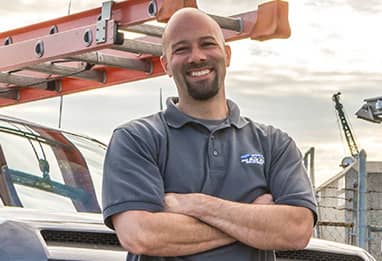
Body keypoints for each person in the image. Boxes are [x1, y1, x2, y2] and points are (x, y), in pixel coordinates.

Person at [102, 7, 317, 261]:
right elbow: (140, 234)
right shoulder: (136, 139)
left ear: (227, 54)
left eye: (207, 44)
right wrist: (254, 221)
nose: (197, 57)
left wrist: (196, 205)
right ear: (166, 64)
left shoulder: (273, 144)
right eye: (181, 49)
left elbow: (297, 230)